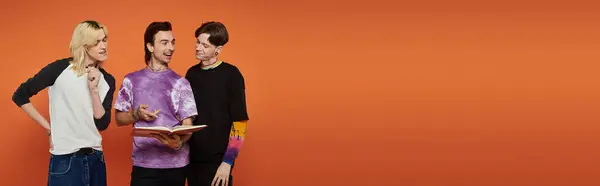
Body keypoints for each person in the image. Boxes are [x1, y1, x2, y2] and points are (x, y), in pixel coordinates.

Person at [11, 20, 115, 186]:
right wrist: (48, 128)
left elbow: (102, 124)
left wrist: (94, 90)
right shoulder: (59, 69)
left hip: (96, 159)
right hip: (65, 160)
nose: (103, 46)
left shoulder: (107, 80)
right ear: (83, 44)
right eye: (96, 42)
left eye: (104, 40)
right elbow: (20, 95)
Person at [113, 21, 198, 186]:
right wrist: (136, 115)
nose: (171, 48)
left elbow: (188, 124)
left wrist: (180, 141)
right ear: (150, 46)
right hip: (143, 165)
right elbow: (118, 119)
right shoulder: (131, 80)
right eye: (164, 43)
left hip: (176, 165)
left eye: (173, 43)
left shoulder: (181, 83)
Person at [185, 21, 249, 186]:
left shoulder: (232, 75)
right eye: (198, 42)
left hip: (218, 162)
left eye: (205, 45)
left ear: (218, 50)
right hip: (191, 160)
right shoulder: (191, 74)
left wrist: (227, 163)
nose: (198, 48)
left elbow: (240, 123)